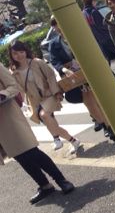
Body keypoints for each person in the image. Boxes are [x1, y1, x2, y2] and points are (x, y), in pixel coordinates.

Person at [0, 64, 75, 204]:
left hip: (9, 117)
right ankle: (45, 186)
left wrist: (2, 94)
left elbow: (13, 86)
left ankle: (61, 180)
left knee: (31, 152)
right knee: (20, 157)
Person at [48, 18, 115, 142]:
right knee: (89, 101)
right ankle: (106, 126)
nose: (58, 27)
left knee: (97, 100)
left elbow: (92, 48)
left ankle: (108, 125)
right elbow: (54, 61)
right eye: (54, 25)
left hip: (89, 70)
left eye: (58, 23)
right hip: (74, 76)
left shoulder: (77, 35)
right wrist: (64, 69)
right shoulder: (54, 43)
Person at [9, 40, 82, 155]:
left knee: (44, 115)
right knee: (51, 123)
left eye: (21, 52)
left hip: (49, 95)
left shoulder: (37, 62)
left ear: (25, 51)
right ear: (11, 55)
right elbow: (20, 90)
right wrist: (20, 104)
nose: (19, 55)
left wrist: (56, 92)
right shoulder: (15, 72)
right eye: (15, 53)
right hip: (35, 101)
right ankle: (72, 141)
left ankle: (57, 139)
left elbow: (50, 76)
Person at [81, 0, 115, 90]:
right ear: (93, 1)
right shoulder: (94, 12)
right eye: (95, 1)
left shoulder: (83, 14)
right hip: (107, 38)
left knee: (105, 64)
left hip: (98, 41)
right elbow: (102, 25)